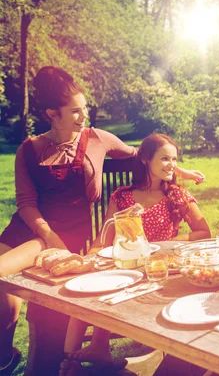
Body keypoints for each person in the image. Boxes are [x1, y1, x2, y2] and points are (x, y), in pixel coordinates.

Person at [0, 66, 203, 375]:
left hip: (68, 238)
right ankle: (6, 353)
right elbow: (26, 204)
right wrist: (49, 236)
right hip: (32, 230)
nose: (84, 117)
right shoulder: (29, 149)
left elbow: (144, 154)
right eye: (76, 111)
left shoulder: (98, 139)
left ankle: (10, 356)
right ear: (52, 114)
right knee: (4, 290)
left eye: (85, 110)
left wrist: (180, 171)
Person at [61, 133, 211, 375]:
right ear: (145, 160)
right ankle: (73, 359)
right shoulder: (123, 196)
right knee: (83, 286)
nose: (172, 165)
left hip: (160, 271)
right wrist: (89, 258)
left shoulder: (176, 195)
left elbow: (204, 232)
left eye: (174, 159)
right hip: (127, 265)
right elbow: (105, 237)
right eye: (164, 158)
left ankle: (92, 350)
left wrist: (167, 242)